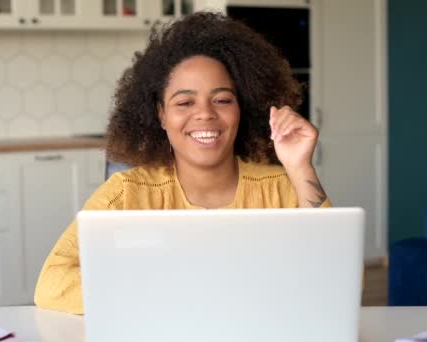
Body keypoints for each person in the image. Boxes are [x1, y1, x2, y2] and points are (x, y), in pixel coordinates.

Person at [34, 12, 330, 314]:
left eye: (223, 100)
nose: (205, 114)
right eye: (185, 102)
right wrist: (166, 293)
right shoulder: (126, 194)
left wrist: (300, 166)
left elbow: (336, 277)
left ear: (243, 109)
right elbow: (51, 283)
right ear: (161, 115)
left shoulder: (282, 188)